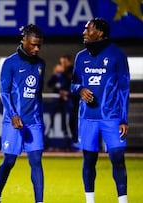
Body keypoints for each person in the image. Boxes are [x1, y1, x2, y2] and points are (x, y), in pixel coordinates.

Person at [71, 18, 129, 203]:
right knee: (89, 160)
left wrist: (124, 119)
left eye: (88, 29)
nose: (84, 32)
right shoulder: (81, 57)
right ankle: (90, 201)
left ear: (100, 33)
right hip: (87, 117)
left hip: (111, 118)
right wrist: (80, 89)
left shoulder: (117, 55)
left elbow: (124, 88)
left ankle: (123, 200)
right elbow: (73, 83)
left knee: (117, 157)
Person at [0, 24, 45, 203]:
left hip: (33, 122)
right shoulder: (10, 62)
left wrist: (40, 119)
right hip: (12, 121)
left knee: (36, 160)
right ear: (24, 41)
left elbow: (38, 94)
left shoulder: (40, 64)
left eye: (39, 45)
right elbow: (4, 92)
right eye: (33, 45)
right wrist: (13, 114)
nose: (37, 48)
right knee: (9, 161)